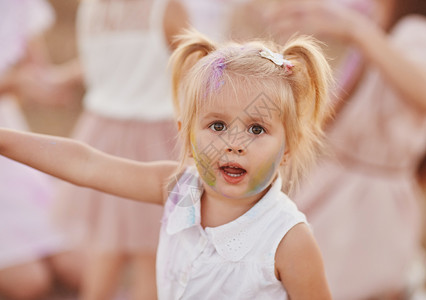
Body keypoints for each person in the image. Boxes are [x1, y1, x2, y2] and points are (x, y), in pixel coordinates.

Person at [0, 29, 333, 299]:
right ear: (186, 135)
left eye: (257, 129)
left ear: (288, 146)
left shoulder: (288, 240)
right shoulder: (180, 189)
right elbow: (86, 165)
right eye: (217, 126)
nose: (234, 143)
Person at [269, 0, 426, 299]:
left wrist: (360, 32)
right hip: (341, 186)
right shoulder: (380, 21)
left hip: (366, 204)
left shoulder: (417, 31)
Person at [20, 0, 189, 299]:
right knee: (152, 251)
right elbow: (194, 67)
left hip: (101, 130)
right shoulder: (167, 7)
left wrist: (62, 77)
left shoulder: (94, 7)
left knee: (105, 244)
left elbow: (101, 61)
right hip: (154, 133)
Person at [0, 0, 83, 299]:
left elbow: (40, 75)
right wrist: (15, 83)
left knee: (80, 268)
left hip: (8, 138)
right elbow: (19, 81)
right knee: (29, 283)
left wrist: (80, 73)